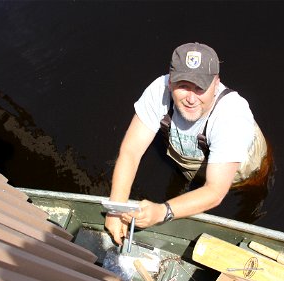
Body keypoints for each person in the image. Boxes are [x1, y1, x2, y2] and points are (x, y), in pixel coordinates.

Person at [105, 42, 273, 245]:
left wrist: (161, 212)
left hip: (242, 173)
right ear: (170, 82)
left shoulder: (232, 116)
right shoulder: (158, 91)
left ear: (216, 83)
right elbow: (131, 152)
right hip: (189, 159)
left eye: (200, 87)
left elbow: (215, 191)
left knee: (250, 187)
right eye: (183, 86)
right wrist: (116, 208)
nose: (191, 98)